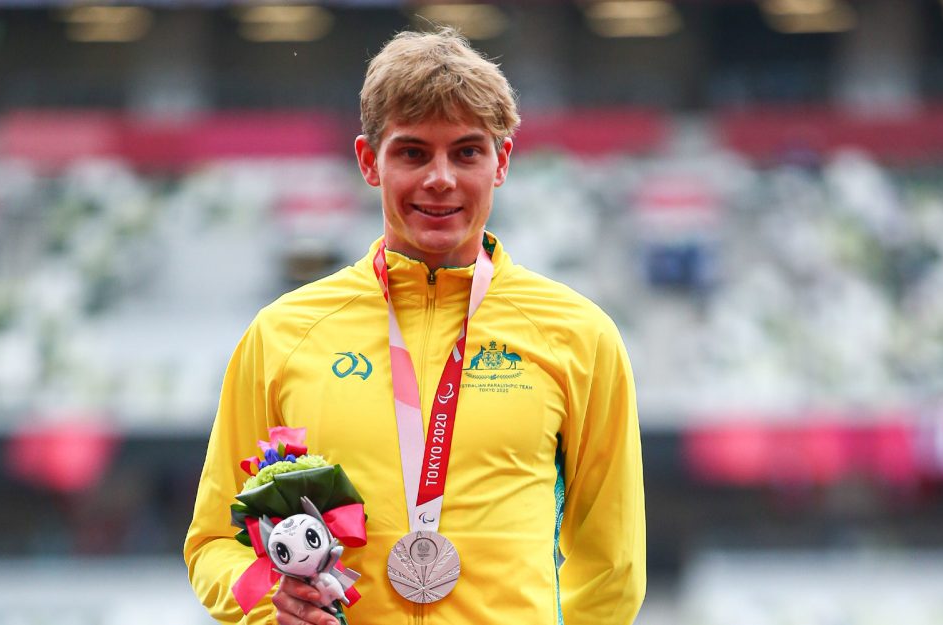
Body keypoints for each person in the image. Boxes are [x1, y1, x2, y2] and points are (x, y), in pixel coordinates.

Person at [184, 27, 645, 625]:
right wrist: (269, 603)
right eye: (412, 152)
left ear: (501, 161)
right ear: (368, 161)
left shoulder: (579, 336)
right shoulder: (283, 334)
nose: (440, 178)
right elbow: (215, 543)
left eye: (467, 151)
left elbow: (613, 565)